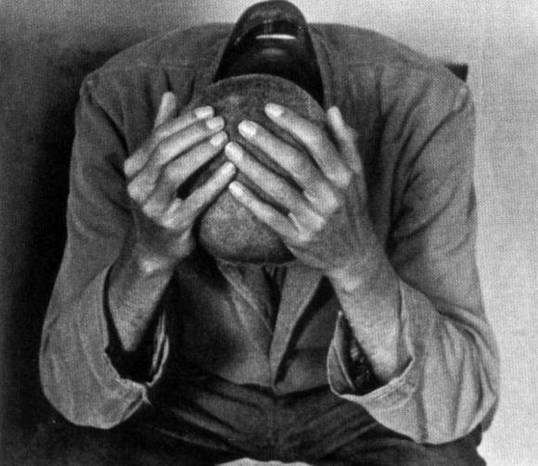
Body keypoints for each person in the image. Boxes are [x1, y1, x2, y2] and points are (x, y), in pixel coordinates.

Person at [38, 1, 499, 464]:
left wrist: (356, 263)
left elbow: (455, 406)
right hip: (185, 391)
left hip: (357, 406)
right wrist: (148, 255)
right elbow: (76, 396)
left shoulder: (425, 105)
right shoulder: (119, 98)